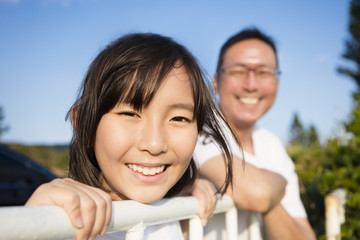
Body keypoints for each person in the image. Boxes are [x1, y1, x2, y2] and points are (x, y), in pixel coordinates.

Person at [25, 33, 238, 240]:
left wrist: (190, 188)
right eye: (129, 114)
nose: (154, 144)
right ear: (84, 125)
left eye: (179, 118)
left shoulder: (176, 214)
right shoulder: (65, 221)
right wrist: (33, 223)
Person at [194, 28, 316, 239]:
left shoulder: (272, 143)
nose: (251, 85)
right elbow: (258, 193)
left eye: (263, 72)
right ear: (216, 81)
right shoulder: (197, 129)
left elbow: (305, 236)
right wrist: (278, 184)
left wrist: (269, 194)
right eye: (238, 71)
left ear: (277, 82)